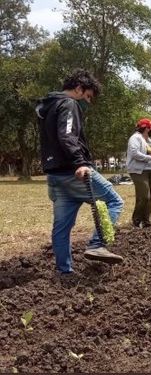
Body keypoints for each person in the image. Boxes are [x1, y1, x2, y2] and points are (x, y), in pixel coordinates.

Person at [36, 69, 124, 273]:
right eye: (88, 96)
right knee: (114, 201)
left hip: (55, 175)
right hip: (73, 171)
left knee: (62, 228)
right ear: (78, 89)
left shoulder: (48, 107)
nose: (88, 102)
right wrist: (79, 163)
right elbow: (67, 136)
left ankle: (63, 271)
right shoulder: (69, 104)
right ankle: (97, 244)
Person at [126, 118, 151, 228]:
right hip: (138, 171)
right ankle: (136, 221)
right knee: (144, 196)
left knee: (150, 196)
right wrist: (150, 157)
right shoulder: (135, 138)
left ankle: (147, 221)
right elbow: (134, 153)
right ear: (146, 129)